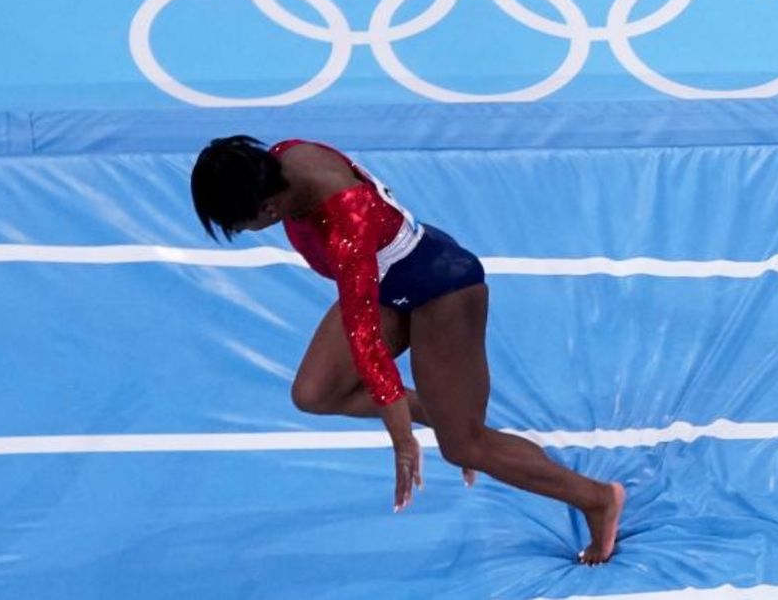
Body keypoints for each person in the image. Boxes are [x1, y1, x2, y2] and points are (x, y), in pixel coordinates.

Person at [189, 136, 625, 565]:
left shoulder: (345, 223)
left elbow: (367, 342)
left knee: (463, 447)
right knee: (315, 393)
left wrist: (402, 440)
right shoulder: (281, 159)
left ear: (269, 208)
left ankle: (598, 498)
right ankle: (446, 415)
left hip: (443, 292)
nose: (246, 233)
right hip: (387, 287)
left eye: (243, 227)